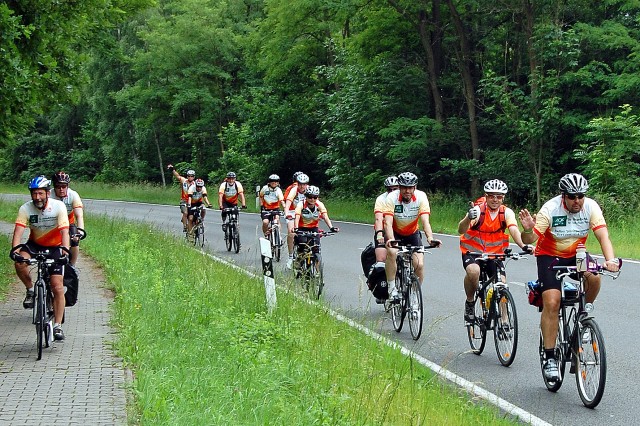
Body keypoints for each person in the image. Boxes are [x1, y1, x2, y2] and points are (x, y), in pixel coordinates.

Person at [519, 173, 619, 381]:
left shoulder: (590, 207)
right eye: (572, 196)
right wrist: (527, 230)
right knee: (552, 302)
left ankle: (583, 315)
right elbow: (530, 239)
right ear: (563, 196)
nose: (577, 201)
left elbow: (603, 236)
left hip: (577, 254)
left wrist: (610, 260)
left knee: (594, 277)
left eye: (581, 196)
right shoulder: (550, 209)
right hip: (550, 256)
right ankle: (549, 357)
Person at [458, 179, 532, 323]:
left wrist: (523, 246)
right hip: (473, 252)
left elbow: (514, 230)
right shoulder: (478, 210)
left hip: (495, 254)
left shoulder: (506, 213)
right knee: (473, 272)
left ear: (503, 198)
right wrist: (468, 218)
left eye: (499, 196)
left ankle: (504, 321)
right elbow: (461, 229)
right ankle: (470, 302)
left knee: (502, 283)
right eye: (491, 196)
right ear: (486, 196)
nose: (495, 199)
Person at [11, 176, 70, 340]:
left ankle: (57, 326)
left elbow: (65, 231)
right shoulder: (26, 208)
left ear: (47, 193)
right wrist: (15, 250)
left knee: (57, 286)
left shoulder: (58, 206)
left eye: (40, 193)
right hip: (35, 245)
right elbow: (18, 232)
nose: (37, 197)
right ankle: (31, 290)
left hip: (56, 247)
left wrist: (65, 252)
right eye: (34, 193)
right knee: (19, 262)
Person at [382, 172, 442, 301]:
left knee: (419, 265)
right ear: (399, 187)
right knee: (392, 252)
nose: (407, 191)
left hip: (412, 233)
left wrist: (430, 238)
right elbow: (388, 222)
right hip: (395, 232)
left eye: (410, 188)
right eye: (404, 187)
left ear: (415, 187)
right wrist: (391, 239)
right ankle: (391, 289)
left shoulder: (421, 197)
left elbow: (425, 221)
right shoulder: (392, 198)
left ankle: (414, 294)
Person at [293, 186, 339, 267]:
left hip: (314, 228)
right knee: (302, 244)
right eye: (310, 197)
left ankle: (317, 269)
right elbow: (297, 216)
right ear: (306, 196)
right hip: (302, 228)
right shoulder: (301, 204)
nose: (312, 199)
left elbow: (325, 216)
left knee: (316, 247)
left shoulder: (319, 204)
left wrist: (331, 227)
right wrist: (296, 228)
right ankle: (298, 261)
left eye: (315, 197)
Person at [50, 171, 85, 266]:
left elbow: (79, 215)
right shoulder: (49, 195)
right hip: (53, 223)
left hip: (69, 222)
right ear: (54, 186)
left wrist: (80, 231)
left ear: (67, 186)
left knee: (75, 240)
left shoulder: (73, 195)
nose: (61, 189)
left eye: (64, 186)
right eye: (58, 186)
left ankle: (72, 266)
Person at [284, 173, 309, 269]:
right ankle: (291, 256)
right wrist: (287, 214)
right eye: (300, 184)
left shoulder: (309, 190)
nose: (302, 186)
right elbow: (287, 203)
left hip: (304, 213)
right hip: (292, 212)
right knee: (291, 232)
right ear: (297, 183)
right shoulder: (293, 190)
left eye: (304, 184)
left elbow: (316, 203)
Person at [374, 176, 399, 262]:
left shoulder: (403, 198)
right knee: (381, 259)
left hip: (400, 229)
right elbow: (378, 218)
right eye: (389, 189)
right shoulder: (381, 199)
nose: (392, 192)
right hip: (384, 229)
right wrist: (379, 234)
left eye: (395, 189)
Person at [167, 164, 195, 232]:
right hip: (184, 200)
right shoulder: (184, 181)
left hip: (193, 201)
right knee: (185, 213)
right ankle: (185, 226)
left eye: (192, 176)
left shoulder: (195, 184)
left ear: (194, 177)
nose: (190, 177)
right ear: (187, 176)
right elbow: (177, 176)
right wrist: (173, 169)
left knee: (194, 215)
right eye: (189, 176)